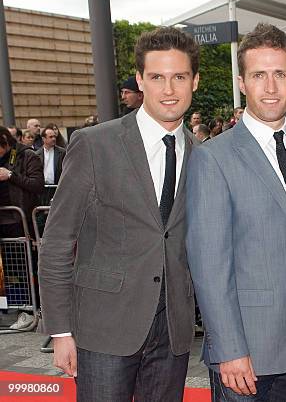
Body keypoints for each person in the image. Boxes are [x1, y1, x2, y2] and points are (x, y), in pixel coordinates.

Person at [38, 27, 201, 401]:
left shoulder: (201, 154)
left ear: (195, 80)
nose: (169, 89)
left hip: (173, 330)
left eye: (179, 77)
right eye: (157, 77)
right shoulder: (96, 144)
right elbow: (58, 240)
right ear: (141, 80)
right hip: (103, 327)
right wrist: (60, 331)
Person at [186, 23, 286, 401]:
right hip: (245, 352)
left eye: (280, 74)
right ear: (242, 82)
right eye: (259, 75)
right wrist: (228, 349)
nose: (271, 86)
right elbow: (209, 265)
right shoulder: (213, 158)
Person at [0, 126, 44, 238]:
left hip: (20, 219)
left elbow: (37, 185)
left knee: (23, 254)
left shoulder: (27, 155)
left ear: (5, 141)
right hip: (3, 218)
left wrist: (10, 175)